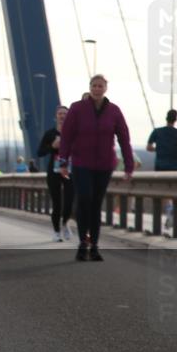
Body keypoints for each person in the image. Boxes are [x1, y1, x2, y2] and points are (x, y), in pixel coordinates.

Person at [59, 75, 134, 262]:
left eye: (100, 86)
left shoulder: (114, 111)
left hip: (104, 165)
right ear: (90, 87)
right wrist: (63, 162)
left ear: (105, 88)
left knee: (95, 205)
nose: (97, 89)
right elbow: (67, 136)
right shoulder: (77, 108)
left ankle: (94, 246)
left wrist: (129, 165)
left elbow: (124, 139)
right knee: (85, 200)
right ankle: (83, 243)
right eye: (94, 85)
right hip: (81, 163)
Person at [147, 109, 177, 229]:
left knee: (164, 192)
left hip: (160, 166)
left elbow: (149, 147)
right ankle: (172, 210)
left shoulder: (157, 132)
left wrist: (159, 149)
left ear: (166, 117)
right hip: (175, 167)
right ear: (176, 119)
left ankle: (168, 210)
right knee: (174, 191)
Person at [37, 106, 74, 241]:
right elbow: (40, 152)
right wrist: (52, 146)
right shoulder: (50, 134)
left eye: (65, 113)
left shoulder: (74, 132)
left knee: (69, 201)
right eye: (60, 114)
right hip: (54, 171)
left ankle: (65, 224)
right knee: (57, 202)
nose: (62, 116)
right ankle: (56, 231)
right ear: (56, 116)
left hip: (70, 170)